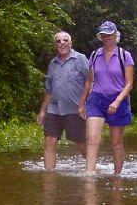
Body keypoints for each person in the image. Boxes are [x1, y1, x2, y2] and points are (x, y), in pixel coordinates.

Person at [78, 21, 134, 175]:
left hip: (119, 99)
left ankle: (117, 176)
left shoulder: (125, 56)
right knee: (92, 138)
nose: (107, 37)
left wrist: (117, 102)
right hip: (96, 99)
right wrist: (82, 103)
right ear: (100, 36)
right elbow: (89, 81)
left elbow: (129, 84)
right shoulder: (95, 55)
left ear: (116, 35)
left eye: (110, 34)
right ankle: (90, 173)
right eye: (104, 35)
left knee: (115, 143)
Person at [37, 31, 89, 170]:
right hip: (54, 109)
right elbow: (49, 90)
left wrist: (85, 104)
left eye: (65, 40)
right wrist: (42, 111)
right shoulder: (52, 63)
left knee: (81, 143)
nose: (62, 43)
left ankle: (92, 168)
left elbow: (91, 82)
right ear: (55, 45)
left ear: (71, 43)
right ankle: (49, 176)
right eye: (58, 41)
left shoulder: (81, 59)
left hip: (75, 109)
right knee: (50, 141)